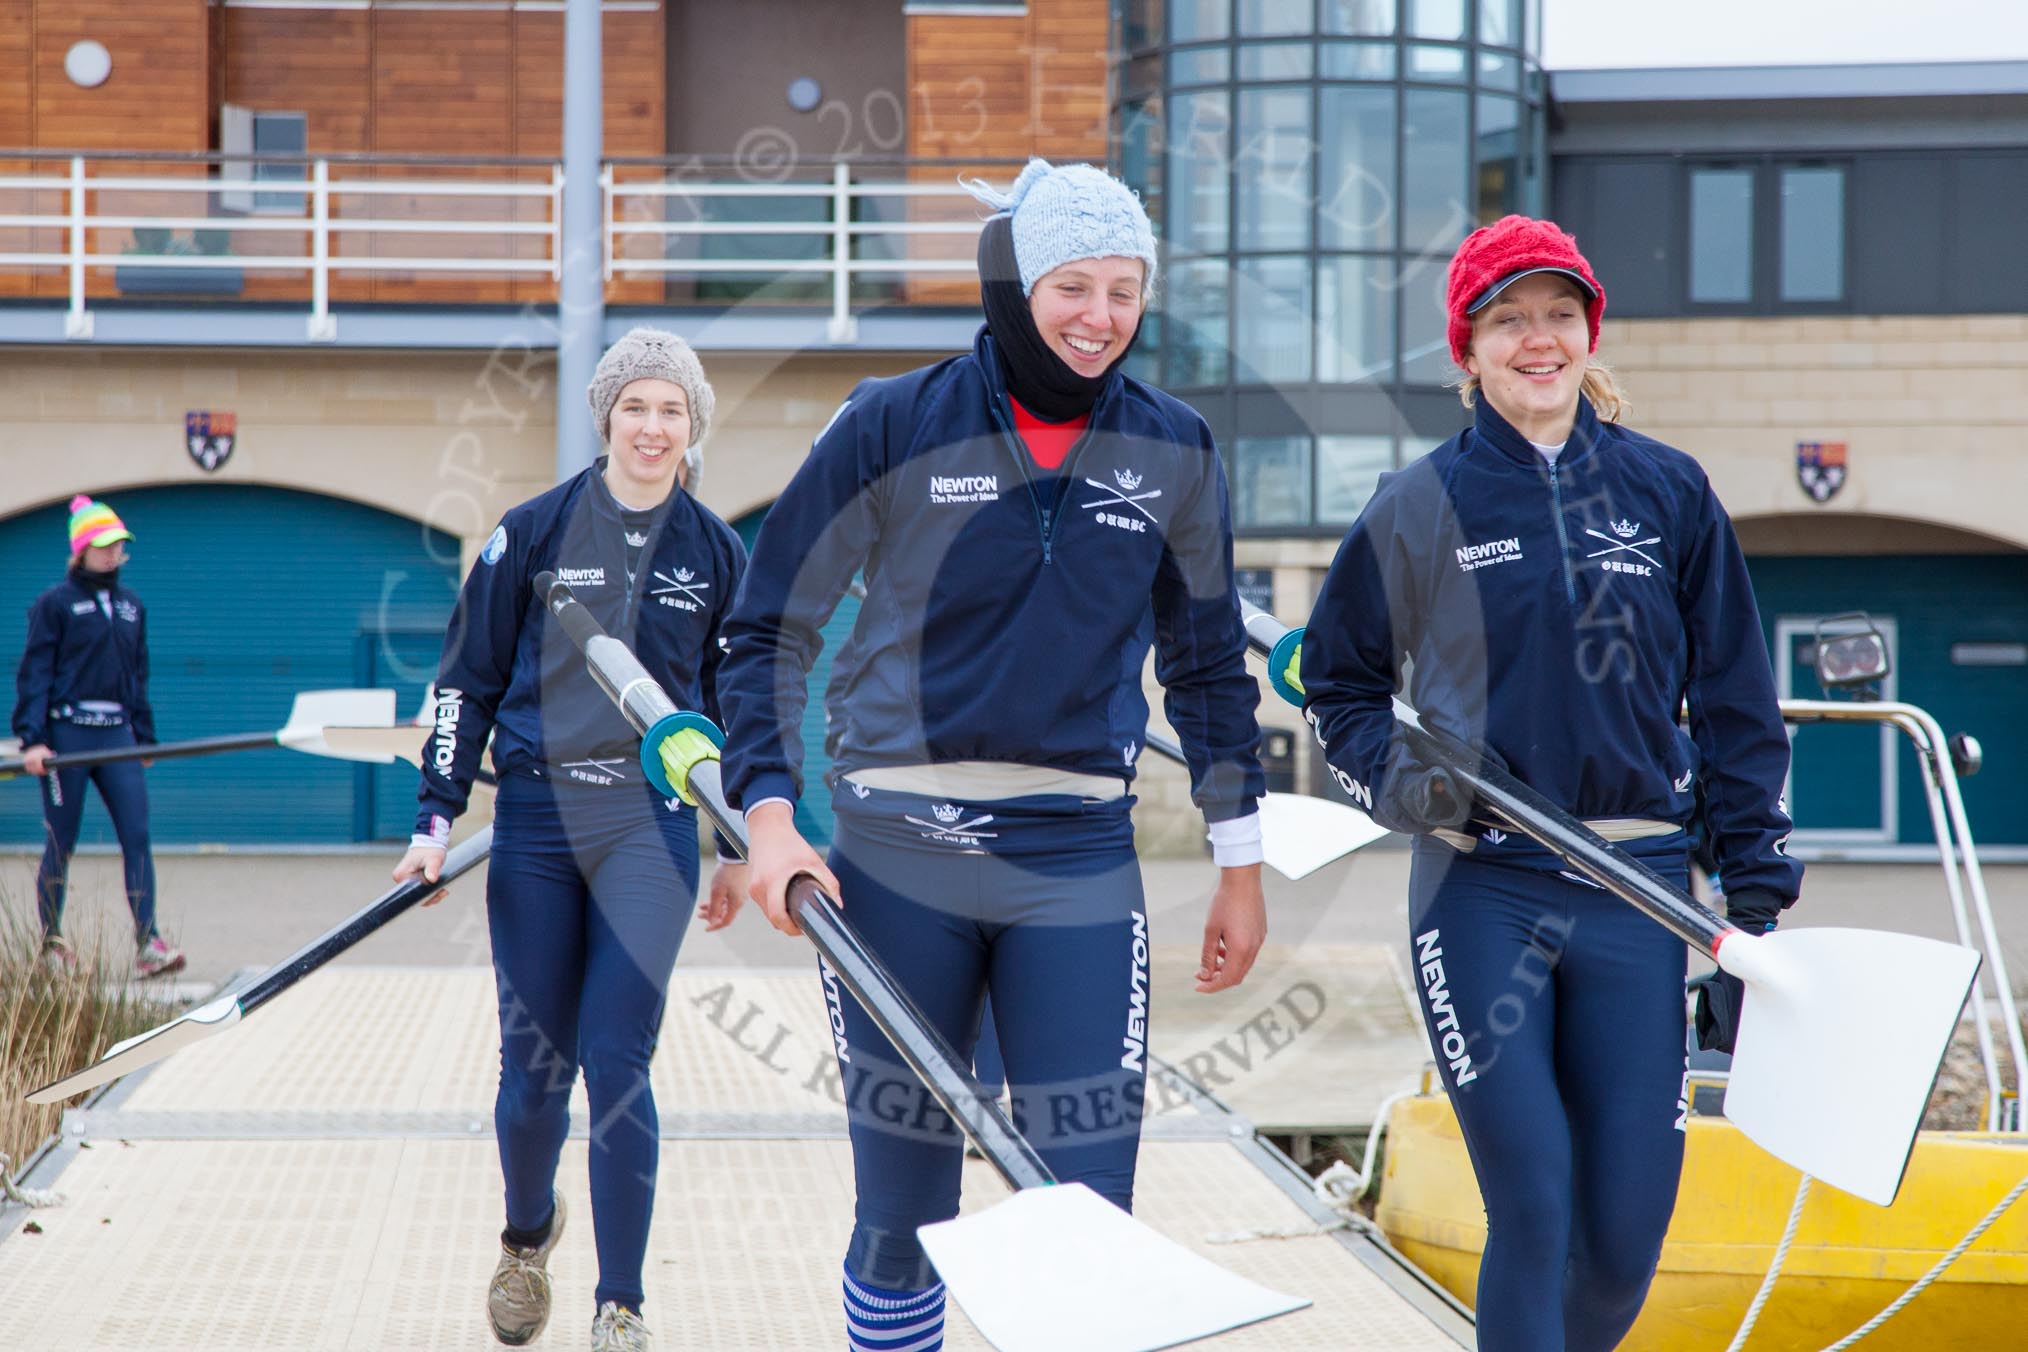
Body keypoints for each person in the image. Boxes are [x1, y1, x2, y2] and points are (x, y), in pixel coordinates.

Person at [715, 158, 1268, 1350]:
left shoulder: (1174, 445)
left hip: (1075, 852)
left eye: (1126, 291)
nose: (1100, 317)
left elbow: (1212, 664)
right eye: (1075, 285)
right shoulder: (895, 420)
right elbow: (770, 623)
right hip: (892, 854)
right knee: (904, 1212)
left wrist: (1240, 856)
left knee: (1088, 1215)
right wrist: (769, 810)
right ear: (1018, 283)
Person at [1299, 215, 1803, 1351]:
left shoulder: (1668, 492)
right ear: (1467, 351)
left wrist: (1756, 906)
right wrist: (1409, 786)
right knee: (1532, 1205)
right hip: (1486, 890)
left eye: (1558, 315)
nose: (1539, 338)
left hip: (1642, 891)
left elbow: (1734, 702)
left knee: (1624, 1236)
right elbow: (1339, 687)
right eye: (1508, 319)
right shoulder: (1417, 503)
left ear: (1588, 333)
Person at [392, 328, 747, 1352]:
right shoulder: (532, 533)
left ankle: (621, 1302)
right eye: (635, 406)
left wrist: (737, 840)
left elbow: (746, 708)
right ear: (606, 417)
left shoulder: (717, 552)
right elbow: (465, 684)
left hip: (651, 828)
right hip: (539, 824)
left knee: (617, 1060)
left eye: (671, 409)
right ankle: (525, 1232)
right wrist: (432, 821)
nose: (652, 426)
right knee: (533, 1072)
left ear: (692, 426)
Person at [13, 494, 182, 978]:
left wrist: (143, 736)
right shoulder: (54, 604)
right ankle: (50, 945)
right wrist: (33, 739)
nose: (113, 554)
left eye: (119, 545)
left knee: (137, 835)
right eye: (104, 545)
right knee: (60, 840)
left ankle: (149, 943)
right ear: (81, 550)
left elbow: (137, 674)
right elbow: (35, 672)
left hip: (119, 736)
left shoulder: (131, 606)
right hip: (67, 737)